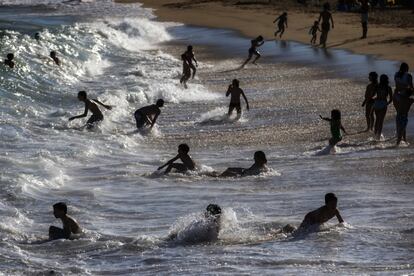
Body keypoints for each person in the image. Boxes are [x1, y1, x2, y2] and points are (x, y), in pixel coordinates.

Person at [372, 74, 393, 140]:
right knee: (381, 121)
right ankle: (378, 137)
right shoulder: (388, 87)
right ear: (387, 80)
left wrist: (374, 99)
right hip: (383, 103)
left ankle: (375, 135)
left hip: (377, 103)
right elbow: (391, 99)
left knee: (377, 120)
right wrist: (387, 103)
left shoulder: (377, 86)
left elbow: (373, 95)